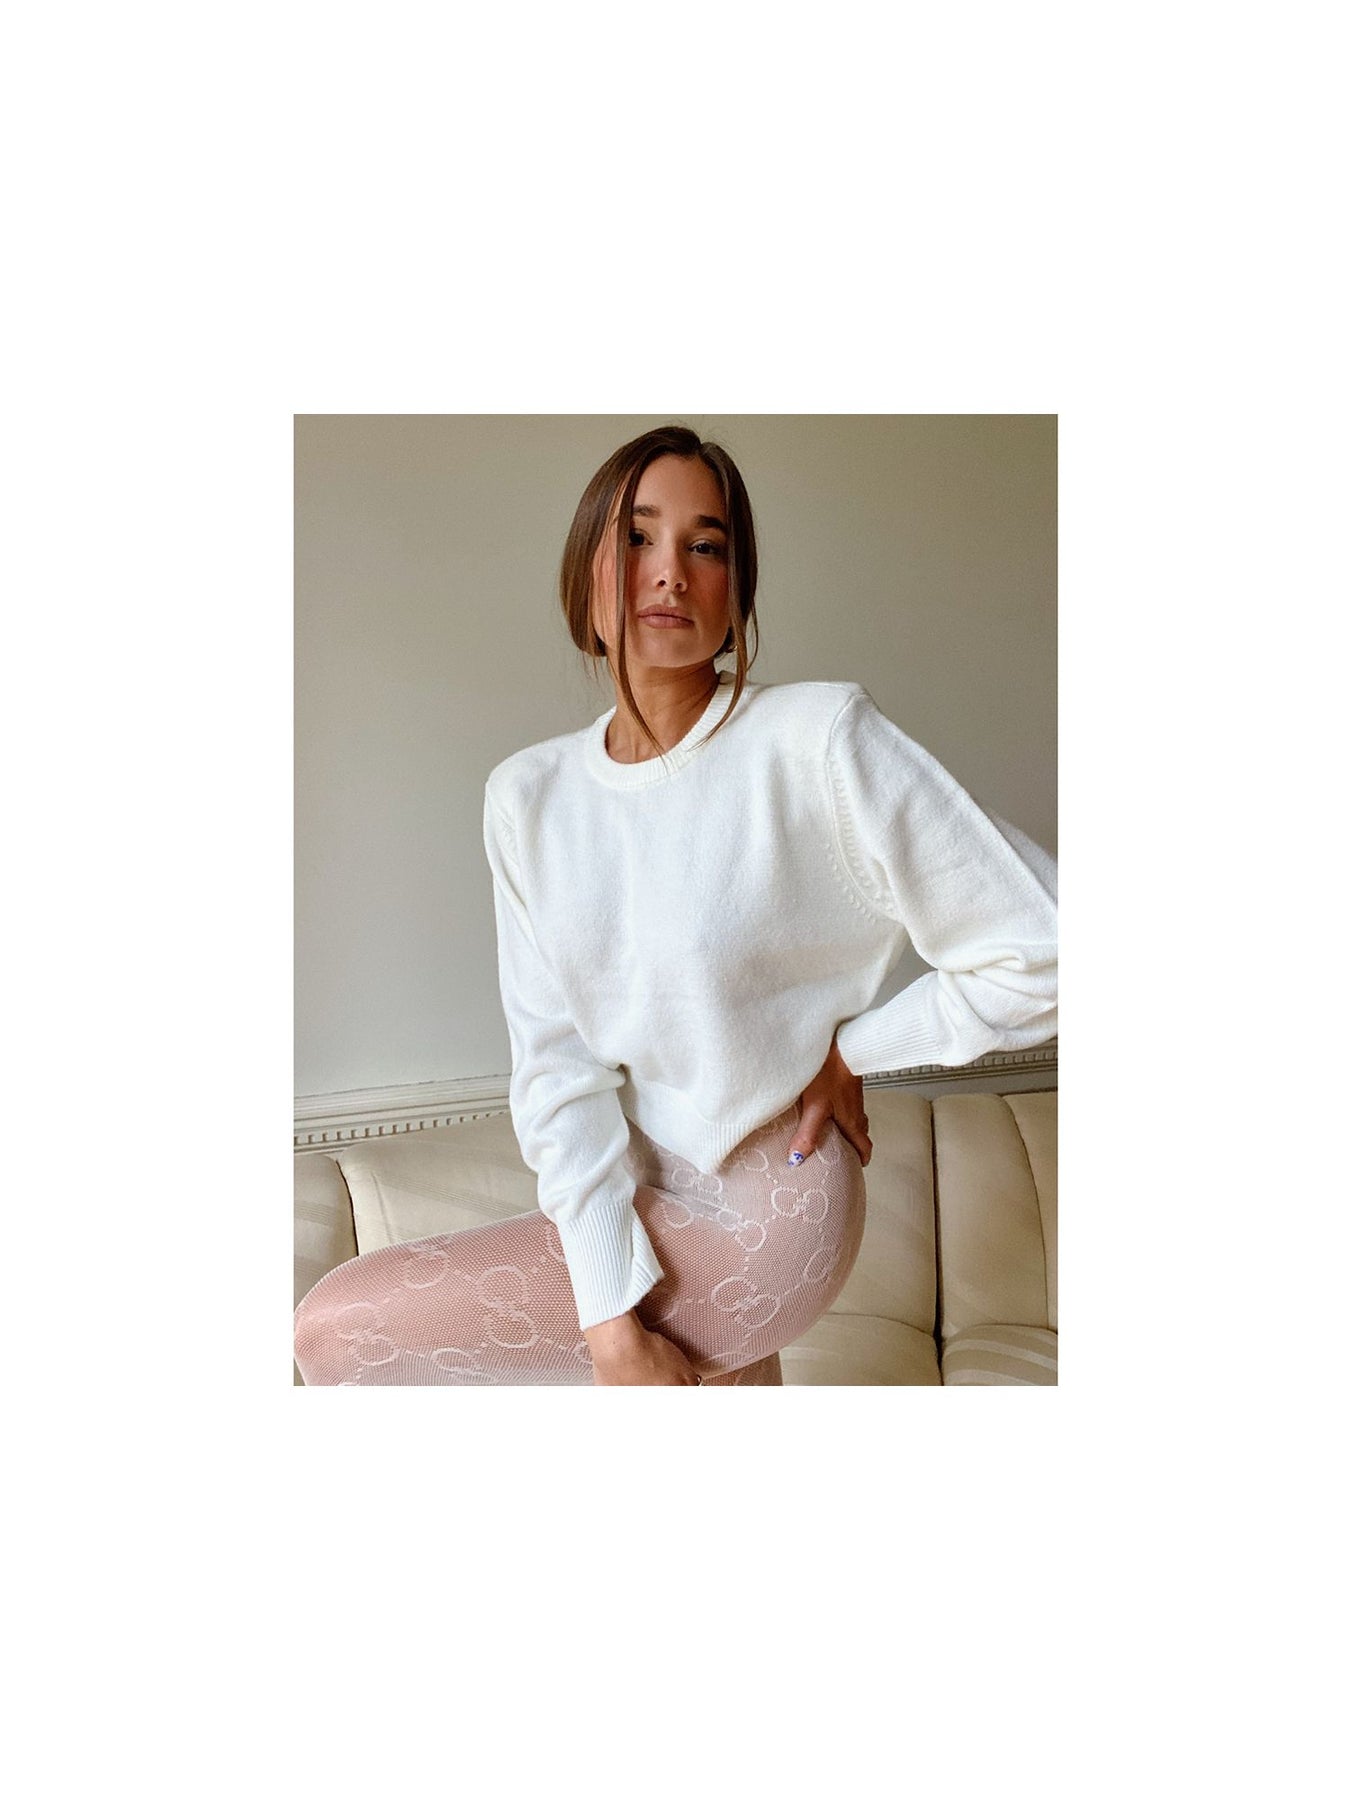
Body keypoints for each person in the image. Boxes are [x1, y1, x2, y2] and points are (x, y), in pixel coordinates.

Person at [293, 424, 1058, 1387]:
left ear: (737, 592)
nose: (670, 572)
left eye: (707, 545)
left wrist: (854, 1051)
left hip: (776, 1207)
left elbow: (1045, 947)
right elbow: (558, 1070)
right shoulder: (529, 798)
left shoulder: (816, 739)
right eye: (637, 537)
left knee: (337, 1330)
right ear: (585, 574)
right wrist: (610, 1318)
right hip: (651, 1189)